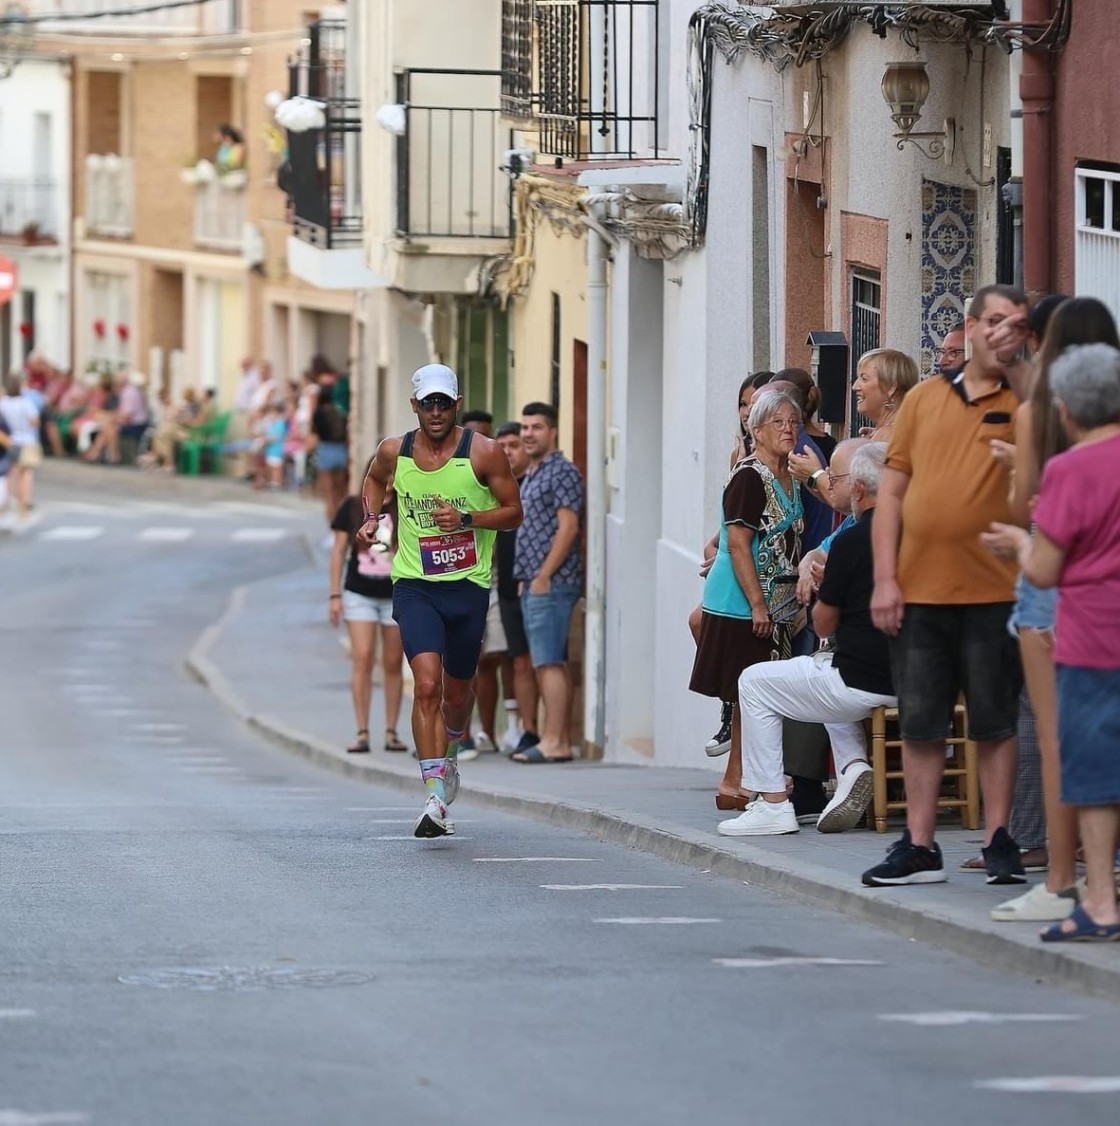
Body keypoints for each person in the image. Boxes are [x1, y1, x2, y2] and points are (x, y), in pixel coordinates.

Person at [865, 283, 1028, 888]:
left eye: (1013, 324)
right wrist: (885, 578)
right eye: (992, 321)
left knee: (995, 719)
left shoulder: (1024, 396)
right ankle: (920, 843)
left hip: (996, 589)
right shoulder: (927, 398)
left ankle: (999, 838)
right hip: (921, 589)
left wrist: (1023, 366)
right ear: (971, 325)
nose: (999, 333)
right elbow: (893, 494)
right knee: (922, 720)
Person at [983, 297, 1120, 921]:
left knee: (1063, 736)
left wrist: (1018, 474)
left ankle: (1068, 879)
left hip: (1062, 592)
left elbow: (1024, 512)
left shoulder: (1043, 414)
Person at [357, 364, 523, 838]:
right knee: (425, 685)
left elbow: (514, 513)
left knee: (456, 695)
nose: (435, 411)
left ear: (456, 404)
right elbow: (373, 480)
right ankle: (434, 795)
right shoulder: (396, 450)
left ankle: (451, 749)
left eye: (443, 403)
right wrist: (373, 517)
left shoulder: (484, 453)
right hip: (415, 584)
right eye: (427, 403)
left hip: (467, 588)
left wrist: (469, 518)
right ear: (414, 406)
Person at [721, 443, 895, 836]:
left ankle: (772, 803)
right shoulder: (922, 536)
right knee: (821, 672)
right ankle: (852, 767)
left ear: (860, 491)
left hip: (863, 681)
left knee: (754, 681)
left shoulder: (852, 542)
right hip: (918, 679)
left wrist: (822, 584)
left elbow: (822, 625)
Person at [690, 389, 805, 812]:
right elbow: (738, 543)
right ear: (755, 431)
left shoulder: (789, 474)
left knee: (753, 699)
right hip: (742, 604)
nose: (789, 428)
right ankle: (737, 781)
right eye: (778, 422)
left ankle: (740, 782)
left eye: (793, 421)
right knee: (747, 699)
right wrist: (758, 604)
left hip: (778, 607)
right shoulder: (749, 476)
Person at [510, 401, 585, 764]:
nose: (528, 433)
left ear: (553, 431)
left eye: (536, 427)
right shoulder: (534, 472)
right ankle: (552, 737)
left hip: (552, 583)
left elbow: (568, 527)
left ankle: (557, 740)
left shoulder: (562, 471)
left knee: (550, 661)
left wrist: (542, 576)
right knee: (543, 661)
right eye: (525, 427)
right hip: (533, 582)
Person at [330, 482, 407, 755]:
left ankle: (391, 732)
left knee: (393, 662)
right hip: (359, 593)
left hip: (395, 594)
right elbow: (339, 550)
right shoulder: (353, 507)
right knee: (362, 658)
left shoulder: (404, 504)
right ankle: (362, 731)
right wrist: (335, 595)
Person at [495, 420, 540, 753]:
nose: (508, 452)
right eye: (502, 447)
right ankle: (528, 730)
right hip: (506, 584)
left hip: (535, 584)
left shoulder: (533, 484)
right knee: (518, 660)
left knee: (543, 660)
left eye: (514, 445)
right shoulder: (493, 486)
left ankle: (547, 730)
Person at [0, 374, 42, 521]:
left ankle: (7, 503)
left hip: (11, 442)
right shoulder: (25, 402)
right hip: (27, 441)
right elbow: (35, 421)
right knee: (26, 475)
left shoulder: (4, 403)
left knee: (12, 474)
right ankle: (24, 507)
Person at [312, 381, 349, 528]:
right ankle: (341, 523)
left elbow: (314, 432)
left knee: (328, 494)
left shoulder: (318, 413)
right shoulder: (340, 411)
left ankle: (332, 525)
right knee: (340, 491)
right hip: (340, 449)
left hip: (325, 449)